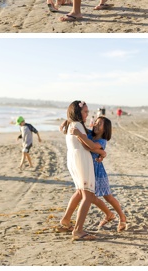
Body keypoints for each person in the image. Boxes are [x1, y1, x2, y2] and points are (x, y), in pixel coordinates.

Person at [56, 101, 104, 241]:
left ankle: (65, 220)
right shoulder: (77, 126)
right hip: (81, 159)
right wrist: (102, 151)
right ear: (77, 112)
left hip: (73, 158)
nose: (87, 114)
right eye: (85, 112)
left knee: (79, 192)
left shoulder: (71, 124)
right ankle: (78, 230)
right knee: (87, 195)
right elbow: (88, 145)